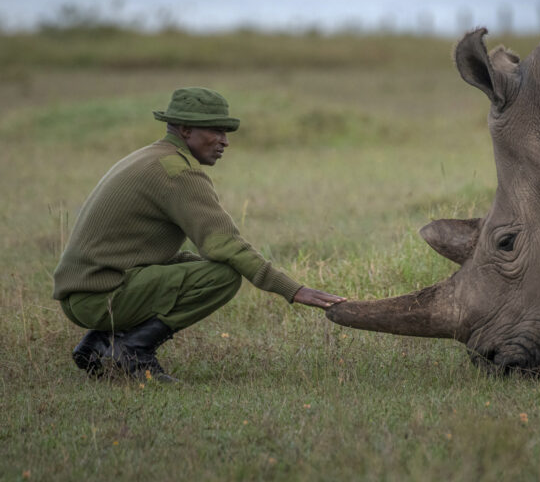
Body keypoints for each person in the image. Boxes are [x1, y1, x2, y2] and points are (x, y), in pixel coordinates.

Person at [52, 87, 346, 382]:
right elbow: (225, 245)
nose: (225, 142)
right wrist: (293, 290)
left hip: (85, 293)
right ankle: (133, 349)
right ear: (185, 129)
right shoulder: (177, 172)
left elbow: (142, 250)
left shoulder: (148, 156)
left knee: (201, 266)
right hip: (99, 299)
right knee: (223, 277)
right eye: (216, 131)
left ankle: (98, 343)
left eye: (226, 132)